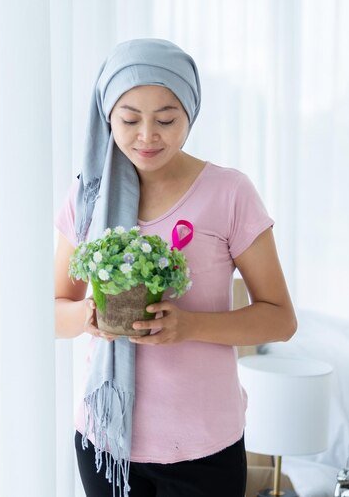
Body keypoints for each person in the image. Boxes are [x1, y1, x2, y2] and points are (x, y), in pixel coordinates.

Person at [54, 38, 297, 497]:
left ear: (191, 114)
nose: (147, 135)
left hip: (205, 445)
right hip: (106, 442)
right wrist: (89, 317)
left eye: (166, 119)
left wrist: (188, 326)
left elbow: (280, 319)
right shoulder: (87, 196)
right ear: (108, 116)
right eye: (129, 119)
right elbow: (53, 309)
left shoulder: (229, 192)